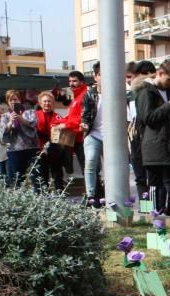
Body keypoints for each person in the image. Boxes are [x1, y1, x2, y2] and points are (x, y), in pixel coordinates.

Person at [134, 59, 170, 214]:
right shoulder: (145, 91)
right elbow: (148, 117)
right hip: (154, 144)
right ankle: (153, 215)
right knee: (153, 183)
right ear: (160, 73)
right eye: (169, 79)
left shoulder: (169, 90)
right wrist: (168, 106)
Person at [0, 89, 38, 187]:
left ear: (20, 100)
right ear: (7, 102)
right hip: (14, 149)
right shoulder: (5, 116)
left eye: (16, 99)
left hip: (31, 148)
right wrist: (10, 123)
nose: (13, 102)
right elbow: (2, 134)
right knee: (17, 178)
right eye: (11, 100)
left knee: (36, 176)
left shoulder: (30, 112)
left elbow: (35, 125)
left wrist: (21, 119)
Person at [127, 60, 156, 201]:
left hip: (148, 138)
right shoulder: (129, 95)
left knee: (150, 179)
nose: (129, 80)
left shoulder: (151, 91)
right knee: (141, 178)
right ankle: (147, 210)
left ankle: (154, 210)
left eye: (131, 76)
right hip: (135, 138)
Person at [33, 92, 66, 191]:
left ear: (53, 103)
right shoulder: (35, 115)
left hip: (55, 149)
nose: (47, 103)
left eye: (49, 101)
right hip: (40, 148)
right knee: (42, 175)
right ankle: (43, 197)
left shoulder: (58, 117)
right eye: (45, 101)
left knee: (57, 174)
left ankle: (60, 195)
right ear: (40, 103)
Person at [81, 62, 104, 204]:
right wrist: (84, 124)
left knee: (112, 168)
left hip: (113, 137)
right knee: (90, 161)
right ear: (96, 77)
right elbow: (85, 114)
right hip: (94, 134)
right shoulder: (90, 94)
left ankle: (111, 195)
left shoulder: (119, 91)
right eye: (101, 74)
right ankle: (90, 195)